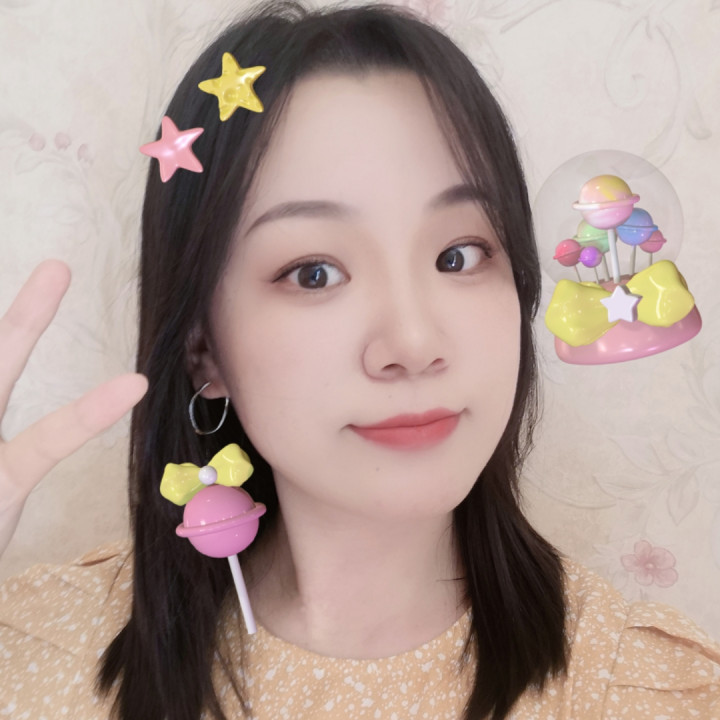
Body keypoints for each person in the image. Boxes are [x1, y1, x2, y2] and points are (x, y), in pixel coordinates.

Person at [1, 2, 718, 719]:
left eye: (458, 255)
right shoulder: (41, 652)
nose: (413, 344)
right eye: (314, 273)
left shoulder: (645, 691)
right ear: (203, 349)